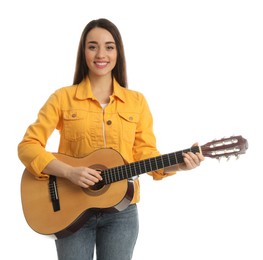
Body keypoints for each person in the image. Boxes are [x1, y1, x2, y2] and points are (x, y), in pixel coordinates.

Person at [18, 18, 204, 260]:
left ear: (118, 52)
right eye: (92, 46)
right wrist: (69, 172)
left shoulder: (137, 102)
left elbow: (146, 156)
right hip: (70, 211)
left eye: (109, 46)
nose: (100, 54)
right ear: (83, 51)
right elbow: (28, 146)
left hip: (122, 214)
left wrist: (179, 164)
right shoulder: (63, 98)